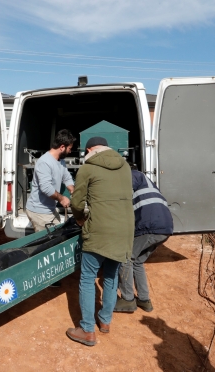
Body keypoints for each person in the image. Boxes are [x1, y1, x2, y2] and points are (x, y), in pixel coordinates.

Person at [67, 137, 134, 346]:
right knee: (111, 275)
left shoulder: (87, 168)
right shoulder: (125, 166)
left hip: (99, 230)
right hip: (124, 230)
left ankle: (87, 330)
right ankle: (105, 322)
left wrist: (80, 219)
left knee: (87, 277)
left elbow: (77, 202)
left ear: (89, 150)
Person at [114, 165, 173, 313]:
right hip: (164, 228)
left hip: (150, 226)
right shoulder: (149, 185)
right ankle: (144, 300)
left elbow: (122, 196)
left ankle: (127, 299)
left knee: (125, 258)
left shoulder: (134, 175)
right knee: (138, 261)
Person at [25, 129, 76, 232]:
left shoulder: (60, 161)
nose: (70, 151)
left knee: (57, 236)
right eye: (69, 148)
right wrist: (62, 199)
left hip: (50, 209)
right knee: (48, 243)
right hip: (39, 211)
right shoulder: (44, 162)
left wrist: (72, 191)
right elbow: (46, 188)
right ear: (62, 147)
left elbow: (67, 177)